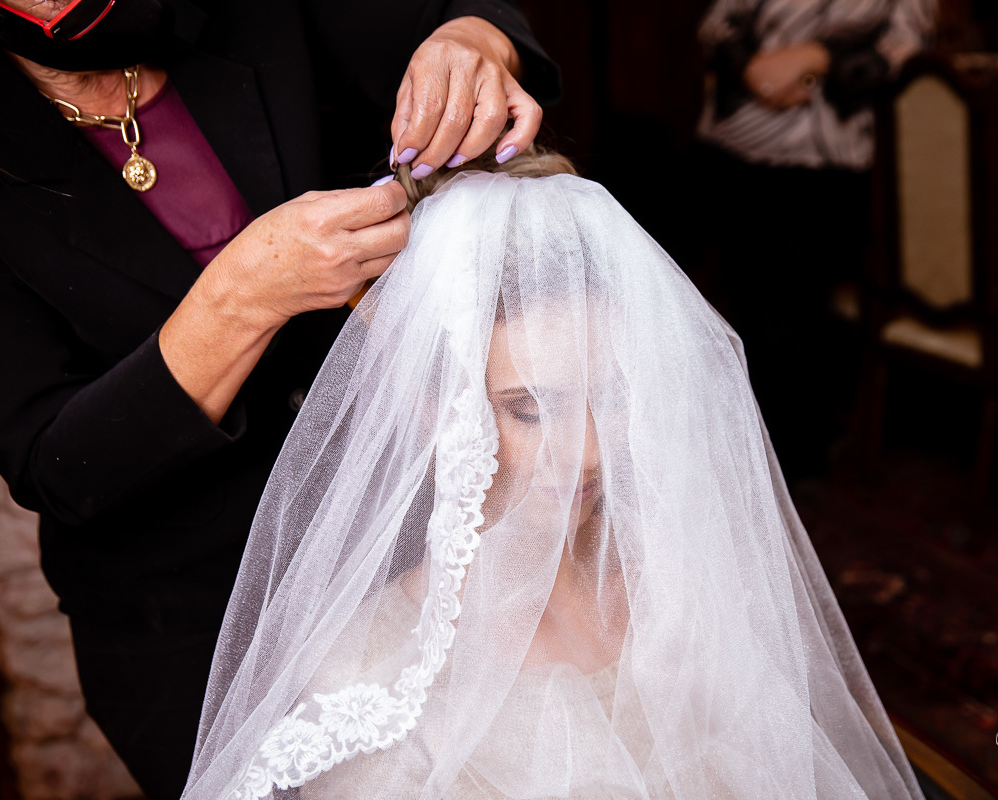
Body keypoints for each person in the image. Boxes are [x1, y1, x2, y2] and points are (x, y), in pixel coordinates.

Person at [0, 1, 558, 796]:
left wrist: (473, 40)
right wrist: (240, 296)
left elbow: (457, 13)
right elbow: (59, 465)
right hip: (195, 624)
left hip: (417, 539)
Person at [179, 154, 927, 799]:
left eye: (615, 396)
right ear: (431, 399)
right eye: (530, 410)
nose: (591, 451)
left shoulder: (686, 580)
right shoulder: (365, 677)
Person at [695, 0, 934, 479]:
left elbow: (906, 47)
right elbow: (716, 25)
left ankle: (788, 469)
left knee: (797, 319)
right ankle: (736, 455)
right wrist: (755, 71)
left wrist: (818, 56)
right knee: (737, 313)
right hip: (736, 145)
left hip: (829, 160)